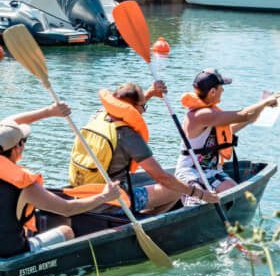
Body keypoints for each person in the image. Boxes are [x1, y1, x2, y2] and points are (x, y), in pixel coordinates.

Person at [0, 104, 120, 258]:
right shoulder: (25, 185)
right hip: (8, 252)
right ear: (17, 148)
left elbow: (7, 123)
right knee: (67, 231)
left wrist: (49, 111)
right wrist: (105, 196)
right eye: (24, 141)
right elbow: (67, 209)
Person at [69, 82, 220, 214]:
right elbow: (162, 177)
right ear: (133, 107)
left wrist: (150, 93)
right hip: (112, 204)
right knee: (176, 189)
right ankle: (148, 220)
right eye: (143, 106)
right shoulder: (129, 136)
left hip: (82, 196)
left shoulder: (98, 116)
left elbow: (127, 109)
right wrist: (200, 194)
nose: (144, 111)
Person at [176, 68, 279, 202]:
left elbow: (229, 131)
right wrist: (265, 102)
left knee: (238, 197)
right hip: (191, 173)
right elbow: (243, 115)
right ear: (212, 91)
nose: (223, 90)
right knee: (198, 203)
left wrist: (254, 116)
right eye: (221, 87)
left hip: (211, 172)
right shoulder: (201, 114)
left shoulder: (210, 113)